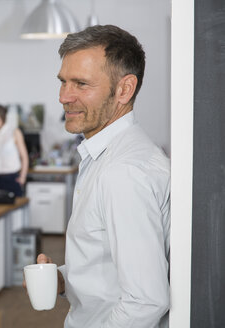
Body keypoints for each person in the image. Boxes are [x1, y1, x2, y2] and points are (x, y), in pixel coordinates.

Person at [32, 25, 171, 327]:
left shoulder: (123, 172)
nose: (64, 97)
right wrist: (63, 279)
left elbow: (146, 300)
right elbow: (107, 270)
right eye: (63, 82)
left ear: (124, 89)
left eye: (81, 84)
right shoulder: (102, 157)